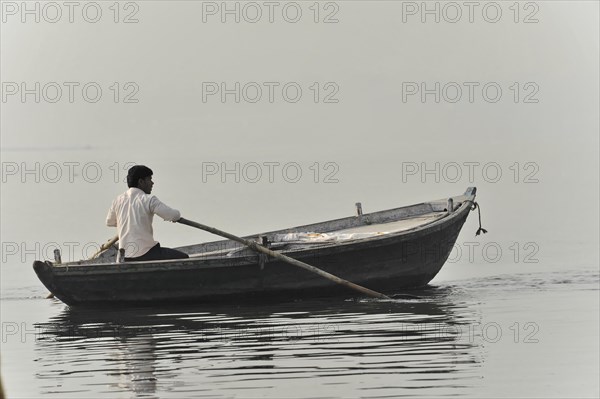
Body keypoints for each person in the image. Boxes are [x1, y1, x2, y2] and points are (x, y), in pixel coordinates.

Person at [106, 165, 189, 262]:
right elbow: (173, 215)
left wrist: (128, 221)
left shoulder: (118, 200)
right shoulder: (148, 200)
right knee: (185, 258)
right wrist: (176, 217)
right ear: (141, 182)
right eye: (149, 179)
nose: (152, 183)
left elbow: (109, 222)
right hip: (146, 253)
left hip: (125, 257)